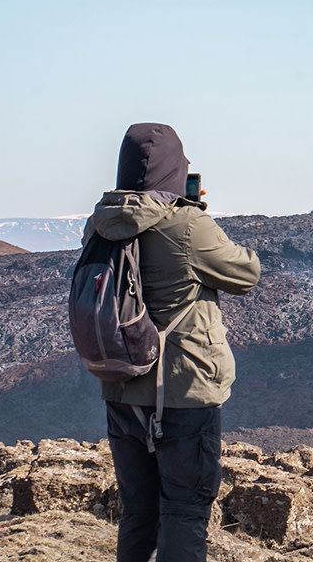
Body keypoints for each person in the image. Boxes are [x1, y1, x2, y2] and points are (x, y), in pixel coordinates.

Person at [84, 123, 260, 562]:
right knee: (183, 510)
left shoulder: (99, 223)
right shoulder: (187, 225)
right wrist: (197, 216)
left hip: (121, 386)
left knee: (137, 511)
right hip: (183, 394)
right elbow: (245, 274)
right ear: (175, 172)